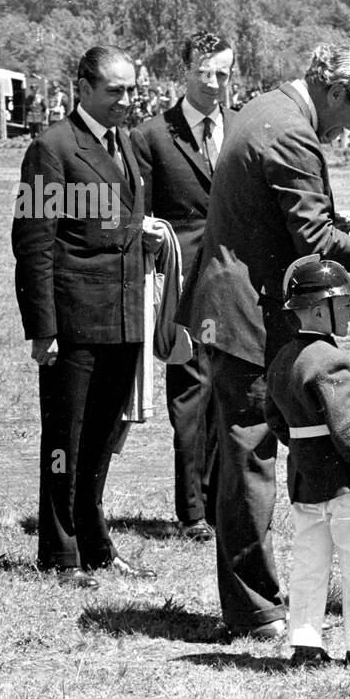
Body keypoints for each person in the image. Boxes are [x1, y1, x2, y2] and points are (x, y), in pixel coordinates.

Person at [179, 43, 350, 639]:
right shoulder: (291, 132)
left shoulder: (266, 109)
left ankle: (260, 598)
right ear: (336, 92)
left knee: (250, 451)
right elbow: (308, 234)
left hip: (238, 306)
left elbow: (284, 218)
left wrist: (337, 229)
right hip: (246, 315)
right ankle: (253, 607)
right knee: (250, 456)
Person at [12, 46, 160, 589]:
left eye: (131, 89)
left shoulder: (128, 143)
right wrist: (42, 329)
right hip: (74, 321)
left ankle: (96, 542)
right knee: (65, 438)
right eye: (115, 91)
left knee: (102, 436)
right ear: (83, 88)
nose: (127, 100)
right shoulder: (52, 149)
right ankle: (58, 551)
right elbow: (34, 243)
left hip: (123, 315)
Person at [131, 31, 233, 543]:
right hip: (181, 283)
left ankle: (221, 502)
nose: (214, 84)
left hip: (235, 284)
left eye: (223, 74)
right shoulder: (151, 136)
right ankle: (192, 510)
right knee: (192, 392)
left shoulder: (239, 129)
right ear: (185, 73)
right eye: (204, 74)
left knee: (229, 391)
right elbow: (137, 214)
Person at [264, 256, 350, 670]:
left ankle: (305, 642)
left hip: (304, 480)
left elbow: (275, 420)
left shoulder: (283, 358)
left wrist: (302, 448)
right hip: (344, 483)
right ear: (319, 309)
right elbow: (348, 428)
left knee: (308, 564)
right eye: (344, 303)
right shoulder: (330, 360)